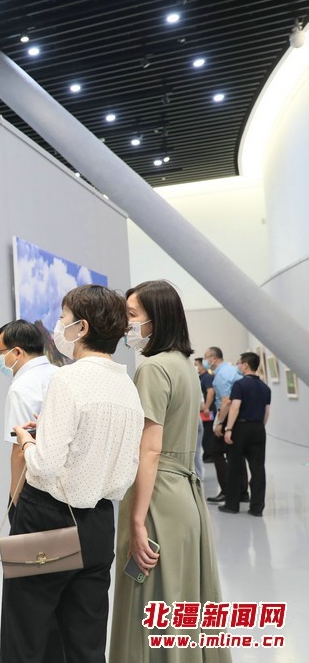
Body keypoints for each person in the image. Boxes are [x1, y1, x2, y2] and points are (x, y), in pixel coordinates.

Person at [1, 285, 144, 662]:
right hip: (99, 521)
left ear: (81, 328)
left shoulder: (67, 379)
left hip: (47, 518)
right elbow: (124, 471)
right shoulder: (127, 386)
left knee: (26, 633)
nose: (58, 325)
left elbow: (45, 465)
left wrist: (27, 441)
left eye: (63, 317)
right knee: (85, 639)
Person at [110, 281, 230, 663]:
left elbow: (150, 449)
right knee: (181, 602)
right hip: (185, 497)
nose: (126, 324)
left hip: (157, 496)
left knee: (149, 607)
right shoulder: (184, 366)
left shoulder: (153, 368)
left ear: (156, 318)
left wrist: (137, 521)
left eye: (132, 315)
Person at [0, 320, 57, 504]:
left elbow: (20, 452)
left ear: (17, 352)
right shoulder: (61, 374)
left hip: (37, 492)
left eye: (0, 352)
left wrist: (14, 499)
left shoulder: (21, 388)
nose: (0, 358)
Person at [218, 352, 271, 516]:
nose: (238, 366)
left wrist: (228, 429)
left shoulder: (239, 385)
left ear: (246, 365)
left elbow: (235, 407)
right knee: (258, 469)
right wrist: (259, 427)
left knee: (234, 467)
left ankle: (232, 505)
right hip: (258, 429)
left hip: (240, 429)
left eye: (239, 363)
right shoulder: (265, 388)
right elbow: (266, 412)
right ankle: (257, 508)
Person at [206, 346, 247, 504]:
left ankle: (226, 490)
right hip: (238, 416)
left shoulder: (221, 374)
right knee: (237, 454)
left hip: (227, 415)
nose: (205, 360)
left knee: (217, 452)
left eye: (206, 357)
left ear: (214, 358)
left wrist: (220, 423)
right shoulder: (233, 370)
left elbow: (226, 401)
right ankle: (243, 492)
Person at [195, 357, 215, 464]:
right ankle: (207, 454)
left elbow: (210, 392)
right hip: (203, 410)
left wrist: (206, 407)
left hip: (208, 410)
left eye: (197, 364)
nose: (195, 367)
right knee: (205, 434)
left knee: (208, 433)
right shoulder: (200, 377)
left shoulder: (207, 377)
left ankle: (209, 454)